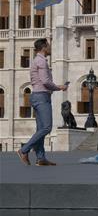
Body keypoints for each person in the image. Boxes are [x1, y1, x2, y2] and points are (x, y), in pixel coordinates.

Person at [18, 38, 67, 166]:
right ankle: (24, 150)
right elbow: (45, 81)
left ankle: (40, 158)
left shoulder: (37, 60)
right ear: (44, 47)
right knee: (47, 127)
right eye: (49, 46)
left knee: (40, 128)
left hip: (37, 96)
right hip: (41, 97)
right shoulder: (41, 62)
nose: (50, 48)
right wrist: (59, 87)